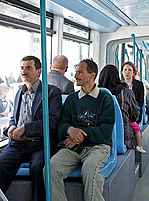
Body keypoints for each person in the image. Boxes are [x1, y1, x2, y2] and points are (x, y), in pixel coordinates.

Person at [0, 56, 62, 201]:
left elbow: (52, 122)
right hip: (19, 144)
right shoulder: (19, 93)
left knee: (37, 169)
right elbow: (14, 118)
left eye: (28, 68)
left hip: (40, 143)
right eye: (22, 68)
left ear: (39, 71)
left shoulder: (51, 93)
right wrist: (12, 126)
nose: (24, 71)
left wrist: (25, 128)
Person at [50, 59, 115, 201]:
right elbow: (61, 126)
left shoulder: (105, 99)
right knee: (50, 168)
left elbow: (105, 132)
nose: (75, 76)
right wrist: (69, 129)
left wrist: (78, 135)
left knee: (90, 170)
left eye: (80, 72)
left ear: (92, 75)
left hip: (97, 147)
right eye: (76, 72)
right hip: (72, 148)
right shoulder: (71, 99)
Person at [99, 64, 145, 153]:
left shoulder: (97, 93)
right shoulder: (126, 92)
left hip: (100, 135)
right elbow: (135, 115)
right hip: (122, 135)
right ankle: (139, 146)